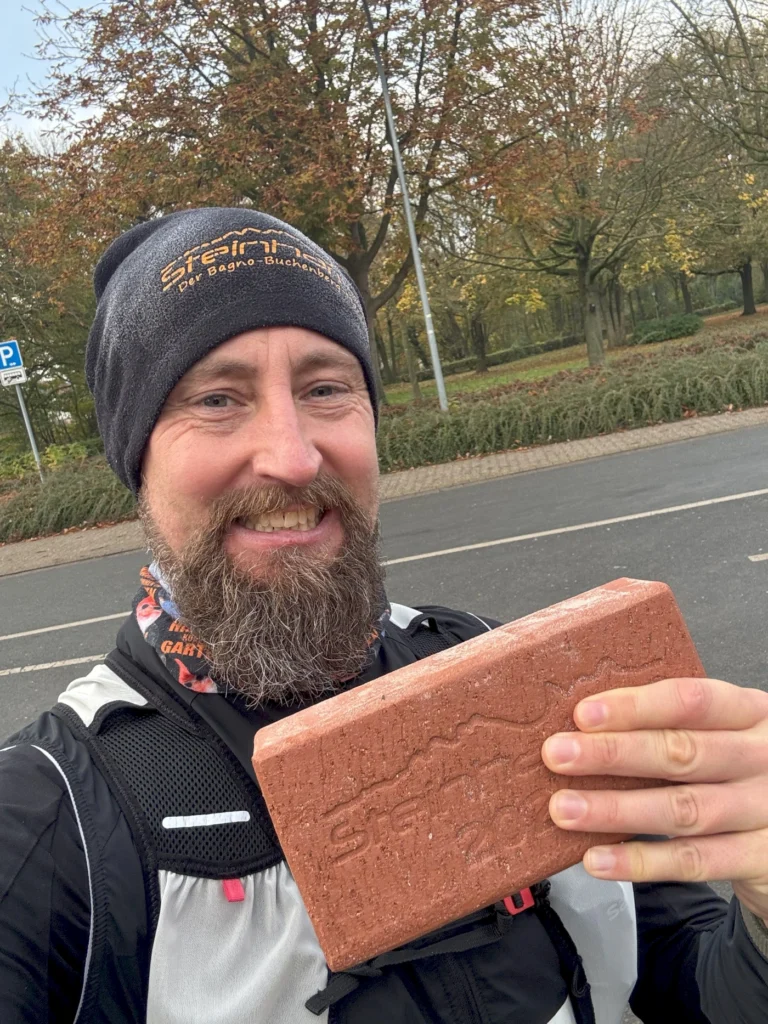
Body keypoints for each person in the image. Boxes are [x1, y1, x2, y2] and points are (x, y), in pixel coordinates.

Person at [1, 207, 767, 1024]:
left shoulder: (500, 673)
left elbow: (698, 984)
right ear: (137, 457)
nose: (293, 456)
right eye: (217, 398)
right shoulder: (48, 825)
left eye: (326, 388)